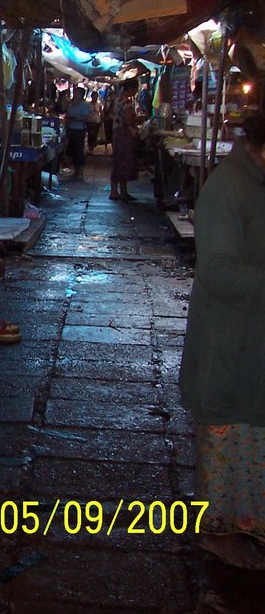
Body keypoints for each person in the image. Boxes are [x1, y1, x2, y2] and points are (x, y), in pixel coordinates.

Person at [180, 110, 265, 570]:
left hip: (255, 333)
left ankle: (249, 525)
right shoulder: (228, 187)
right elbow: (216, 269)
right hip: (229, 335)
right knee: (230, 429)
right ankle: (221, 532)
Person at [108, 100, 138, 201]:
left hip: (117, 133)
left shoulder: (117, 101)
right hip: (124, 135)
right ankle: (119, 191)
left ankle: (118, 191)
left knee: (118, 162)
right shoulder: (126, 102)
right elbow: (128, 120)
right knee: (123, 162)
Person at [65, 87, 91, 180]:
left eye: (77, 93)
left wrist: (74, 119)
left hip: (79, 130)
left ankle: (80, 171)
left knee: (79, 150)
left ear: (81, 94)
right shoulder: (71, 104)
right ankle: (75, 170)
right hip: (71, 129)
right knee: (72, 150)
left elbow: (85, 117)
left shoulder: (85, 105)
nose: (75, 94)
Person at [102, 89, 118, 153]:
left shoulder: (116, 103)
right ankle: (106, 149)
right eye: (111, 96)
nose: (112, 97)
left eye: (113, 96)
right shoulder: (107, 103)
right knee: (107, 134)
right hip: (107, 120)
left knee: (113, 135)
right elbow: (104, 111)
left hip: (113, 121)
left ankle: (113, 149)